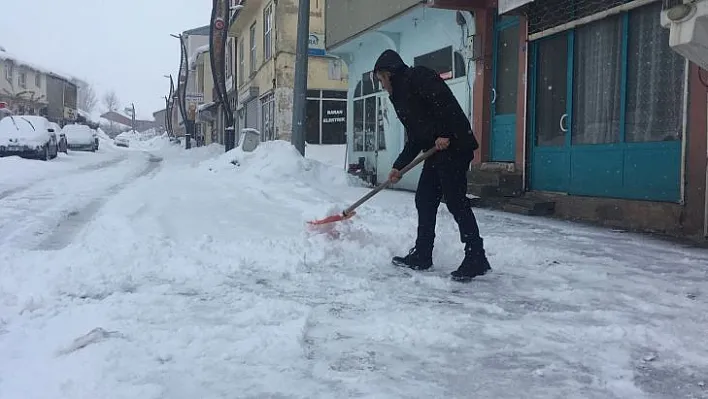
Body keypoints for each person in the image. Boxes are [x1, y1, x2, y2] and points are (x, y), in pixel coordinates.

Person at [373, 49, 491, 282]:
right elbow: (416, 137)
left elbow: (444, 103)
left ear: (388, 74)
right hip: (437, 151)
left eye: (381, 80)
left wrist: (446, 132)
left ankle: (476, 255)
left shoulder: (419, 77)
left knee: (455, 201)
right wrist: (399, 166)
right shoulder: (400, 97)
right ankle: (422, 254)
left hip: (455, 145)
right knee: (425, 199)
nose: (382, 86)